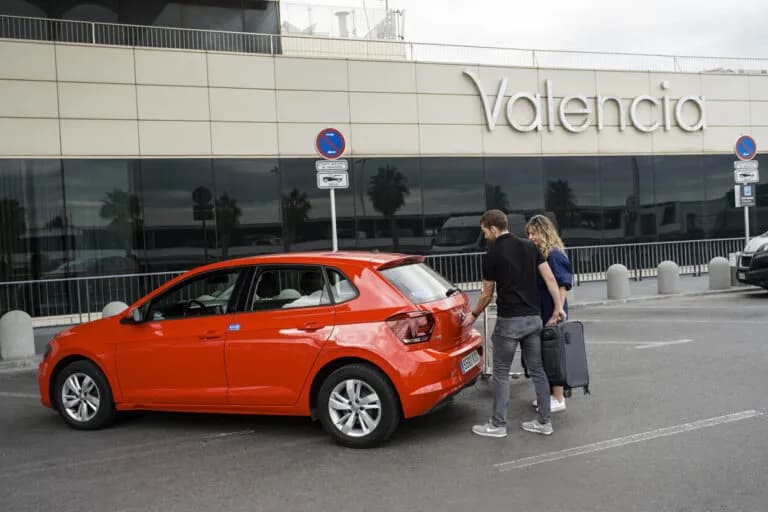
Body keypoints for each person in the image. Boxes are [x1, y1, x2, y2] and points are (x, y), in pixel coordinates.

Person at [462, 209, 565, 438]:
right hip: (533, 319)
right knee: (538, 369)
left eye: (484, 231)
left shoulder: (491, 255)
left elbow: (487, 294)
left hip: (509, 321)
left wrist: (474, 314)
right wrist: (558, 308)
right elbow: (550, 278)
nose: (484, 235)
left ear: (493, 228)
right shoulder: (530, 247)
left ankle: (498, 425)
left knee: (500, 372)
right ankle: (544, 422)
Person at [526, 214, 573, 413]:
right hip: (546, 309)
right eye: (528, 233)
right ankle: (551, 396)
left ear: (543, 232)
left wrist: (557, 311)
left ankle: (558, 398)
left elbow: (563, 284)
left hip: (553, 310)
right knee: (547, 354)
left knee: (554, 355)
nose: (530, 237)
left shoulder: (554, 254)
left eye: (533, 233)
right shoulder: (545, 254)